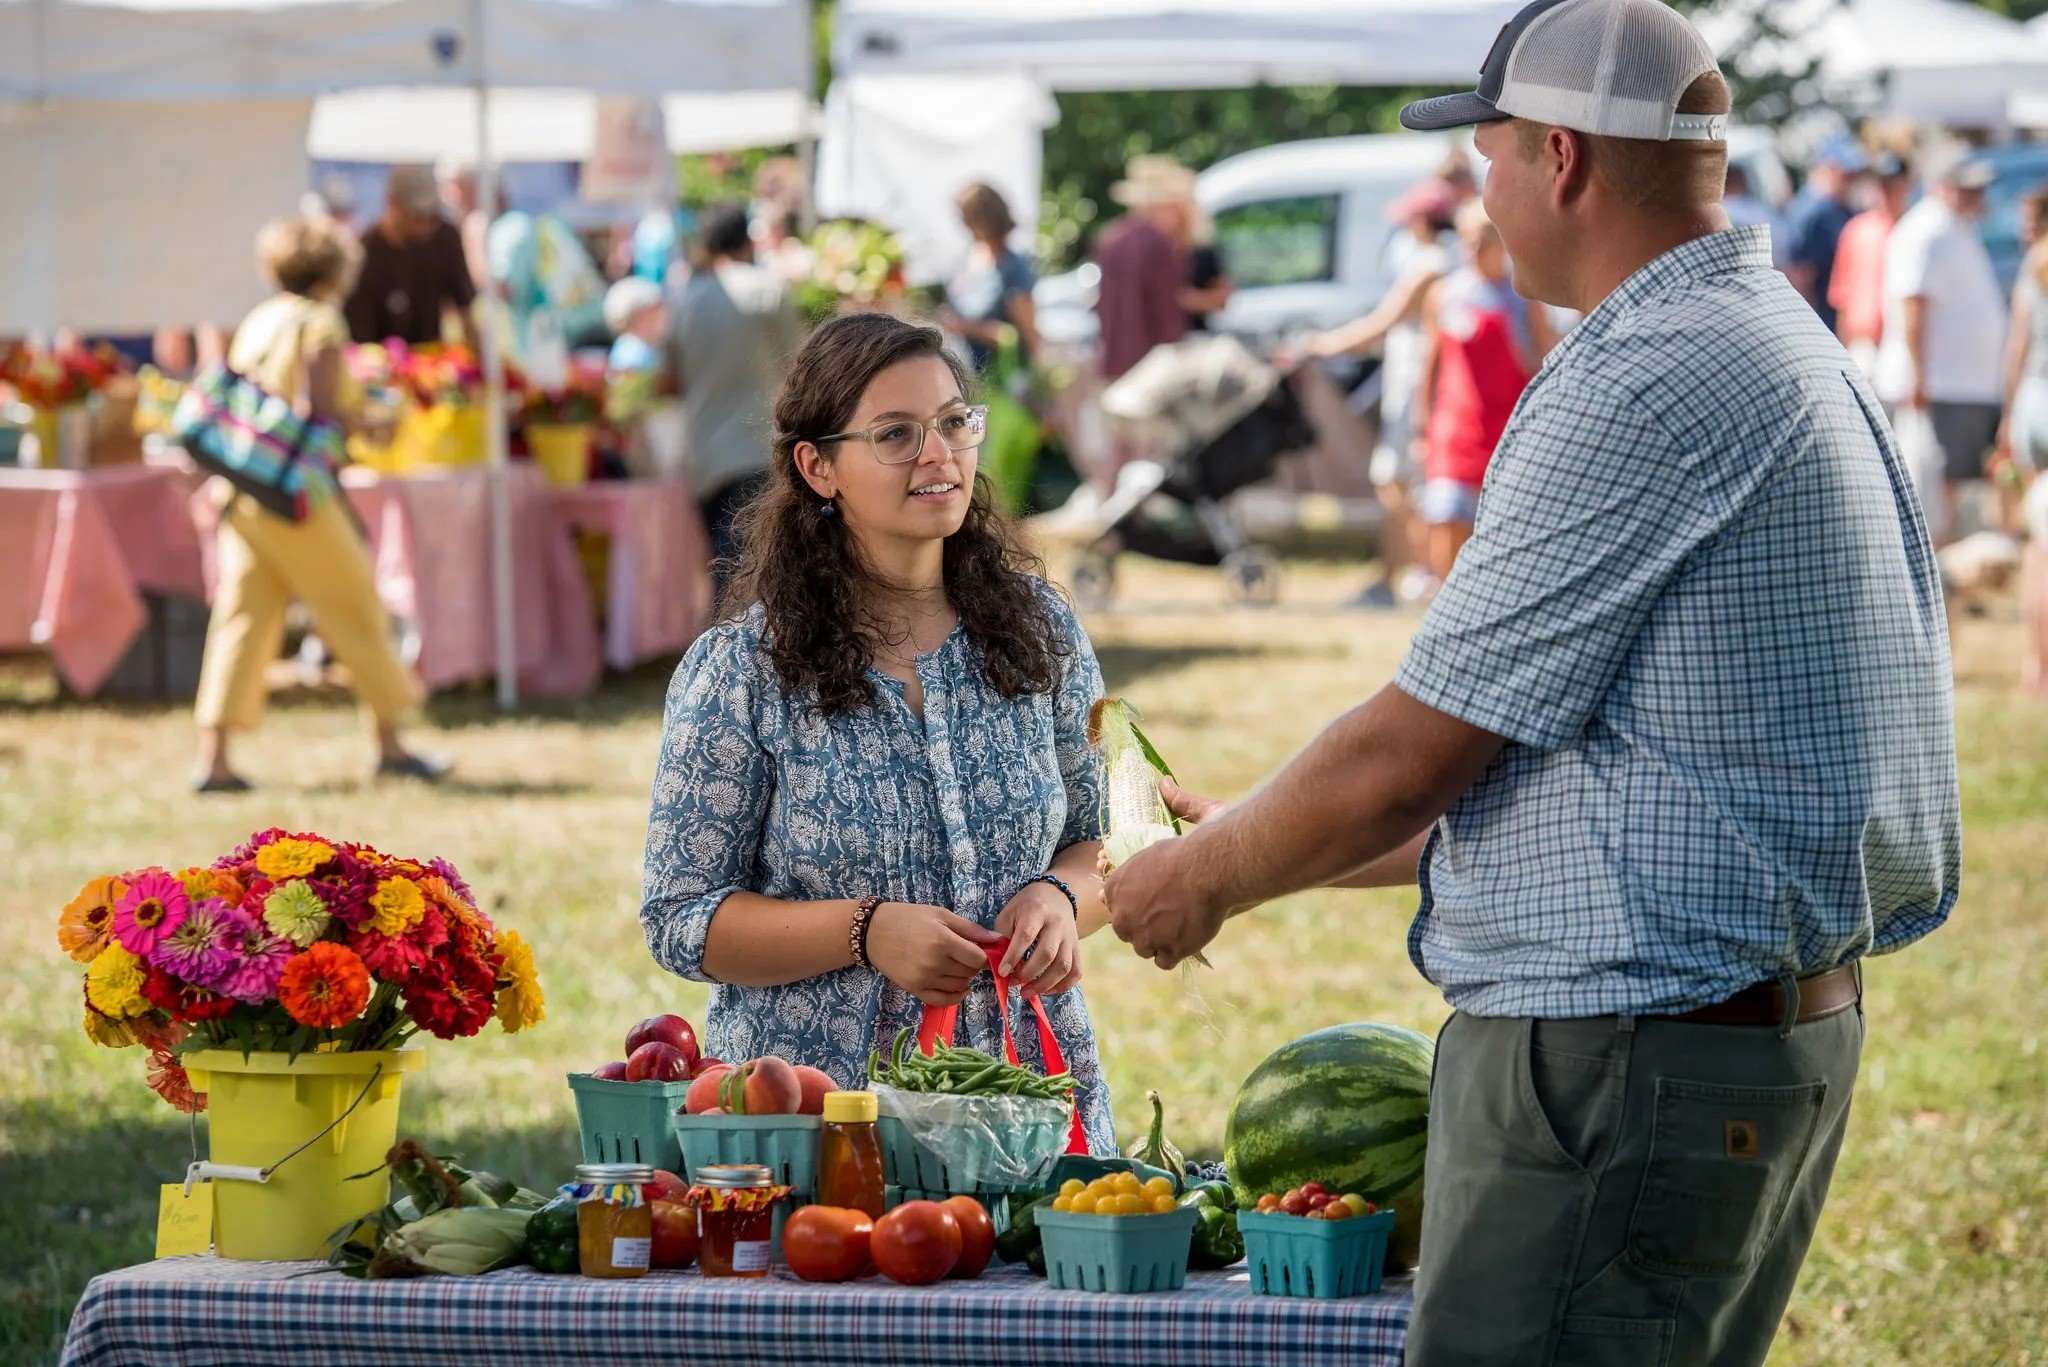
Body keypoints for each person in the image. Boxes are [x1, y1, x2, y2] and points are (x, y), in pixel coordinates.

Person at [1103, 3, 1958, 1364]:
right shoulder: (1778, 339)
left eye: (1490, 160)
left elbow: (1412, 751)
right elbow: (1615, 771)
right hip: (1744, 1039)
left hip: (1625, 1065)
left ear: (1559, 156)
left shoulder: (1638, 377)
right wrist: (1261, 836)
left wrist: (1199, 877)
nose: (1483, 201)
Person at [641, 312, 1117, 1149]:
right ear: (818, 467)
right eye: (895, 434)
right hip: (812, 1127)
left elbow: (1110, 837)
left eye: (953, 423)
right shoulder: (745, 669)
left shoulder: (1041, 629)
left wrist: (1064, 898)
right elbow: (683, 917)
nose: (938, 456)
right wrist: (864, 932)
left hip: (1032, 1109)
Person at [195, 216, 444, 793]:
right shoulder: (320, 321)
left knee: (242, 619)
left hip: (244, 489)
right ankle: (392, 745)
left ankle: (215, 758)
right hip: (298, 495)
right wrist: (373, 423)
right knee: (356, 606)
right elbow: (320, 406)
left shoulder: (260, 319)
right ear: (335, 268)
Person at [1298, 179, 1459, 607]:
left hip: (1415, 387)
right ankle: (1408, 574)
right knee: (1404, 483)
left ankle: (1412, 575)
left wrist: (1318, 344)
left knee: (1400, 482)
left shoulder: (1431, 264)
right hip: (1413, 383)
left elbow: (1380, 323)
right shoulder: (1449, 260)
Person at [1412, 199, 1557, 584]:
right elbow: (1430, 364)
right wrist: (1421, 425)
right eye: (1467, 242)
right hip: (1455, 425)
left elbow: (1544, 357)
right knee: (1446, 517)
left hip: (1506, 424)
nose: (1472, 252)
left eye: (1481, 243)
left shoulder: (1523, 298)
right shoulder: (1444, 295)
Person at [663, 204, 804, 586]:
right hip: (757, 447)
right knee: (752, 574)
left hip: (706, 454)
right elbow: (800, 367)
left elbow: (669, 379)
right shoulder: (767, 289)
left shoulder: (684, 301)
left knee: (726, 567)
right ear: (747, 241)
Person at [1876, 149, 2005, 545]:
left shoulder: (1953, 227)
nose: (1977, 196)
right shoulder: (1926, 230)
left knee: (1954, 487)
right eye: (1967, 188)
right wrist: (1919, 376)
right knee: (1933, 491)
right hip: (1940, 384)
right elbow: (1913, 304)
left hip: (1958, 383)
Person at [1997, 186, 2048, 692]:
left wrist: (2008, 416)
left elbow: (2016, 345)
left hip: (2033, 405)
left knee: (2039, 543)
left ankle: (2037, 666)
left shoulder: (2032, 267)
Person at [342, 164, 478, 348]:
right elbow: (356, 334)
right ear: (391, 204)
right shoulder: (364, 251)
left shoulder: (445, 237)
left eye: (432, 215)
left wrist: (482, 361)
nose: (426, 224)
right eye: (417, 215)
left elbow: (466, 307)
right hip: (378, 362)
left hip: (431, 362)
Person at [1093, 155, 1196, 381]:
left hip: (1114, 361)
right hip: (1153, 368)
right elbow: (1167, 312)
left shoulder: (1109, 237)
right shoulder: (1159, 243)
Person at [941, 182, 1039, 373]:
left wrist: (968, 327)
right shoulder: (966, 259)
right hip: (963, 368)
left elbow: (1021, 332)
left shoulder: (1013, 267)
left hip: (998, 376)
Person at [1829, 152, 1914, 374]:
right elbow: (1842, 297)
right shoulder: (1857, 230)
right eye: (1881, 186)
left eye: (1892, 186)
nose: (1885, 193)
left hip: (1902, 344)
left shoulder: (1914, 229)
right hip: (1864, 343)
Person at [1784, 136, 1867, 332]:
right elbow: (1801, 275)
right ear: (1828, 170)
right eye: (1847, 174)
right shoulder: (1813, 213)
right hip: (1821, 324)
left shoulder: (1842, 208)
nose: (1852, 181)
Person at [603, 276, 666, 377]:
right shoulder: (632, 353)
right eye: (656, 311)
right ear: (641, 316)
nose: (663, 316)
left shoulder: (638, 348)